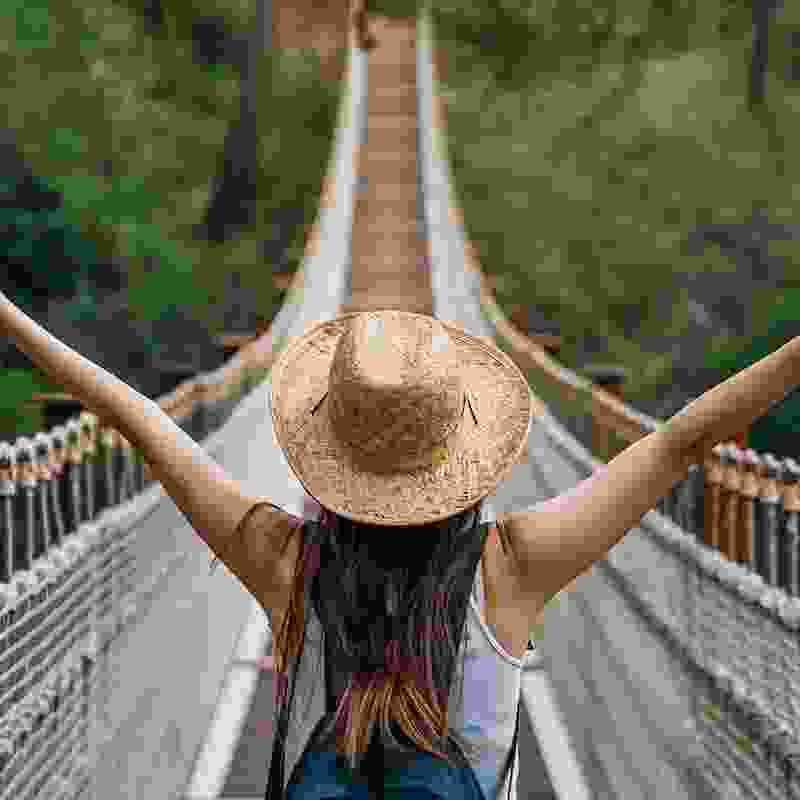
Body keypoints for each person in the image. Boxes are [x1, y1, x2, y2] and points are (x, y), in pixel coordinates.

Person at [2, 297, 797, 797]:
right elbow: (678, 444)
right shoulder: (512, 567)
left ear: (329, 458)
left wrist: (11, 320)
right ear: (463, 455)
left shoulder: (285, 564)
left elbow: (143, 422)